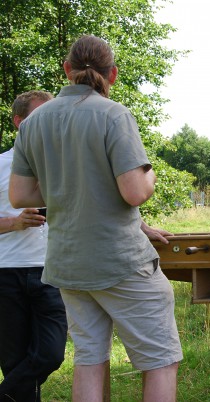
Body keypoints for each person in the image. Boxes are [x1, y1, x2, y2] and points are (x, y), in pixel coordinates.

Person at [8, 35, 182, 402]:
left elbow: (20, 196)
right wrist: (150, 175)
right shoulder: (113, 114)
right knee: (160, 360)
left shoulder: (34, 122)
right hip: (119, 260)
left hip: (67, 263)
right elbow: (134, 191)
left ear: (67, 70)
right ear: (113, 74)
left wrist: (66, 188)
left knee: (89, 359)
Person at [0, 90, 67, 402]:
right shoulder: (1, 165)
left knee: (51, 355)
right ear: (18, 122)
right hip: (5, 274)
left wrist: (141, 225)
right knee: (14, 363)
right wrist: (14, 222)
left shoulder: (66, 165)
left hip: (51, 272)